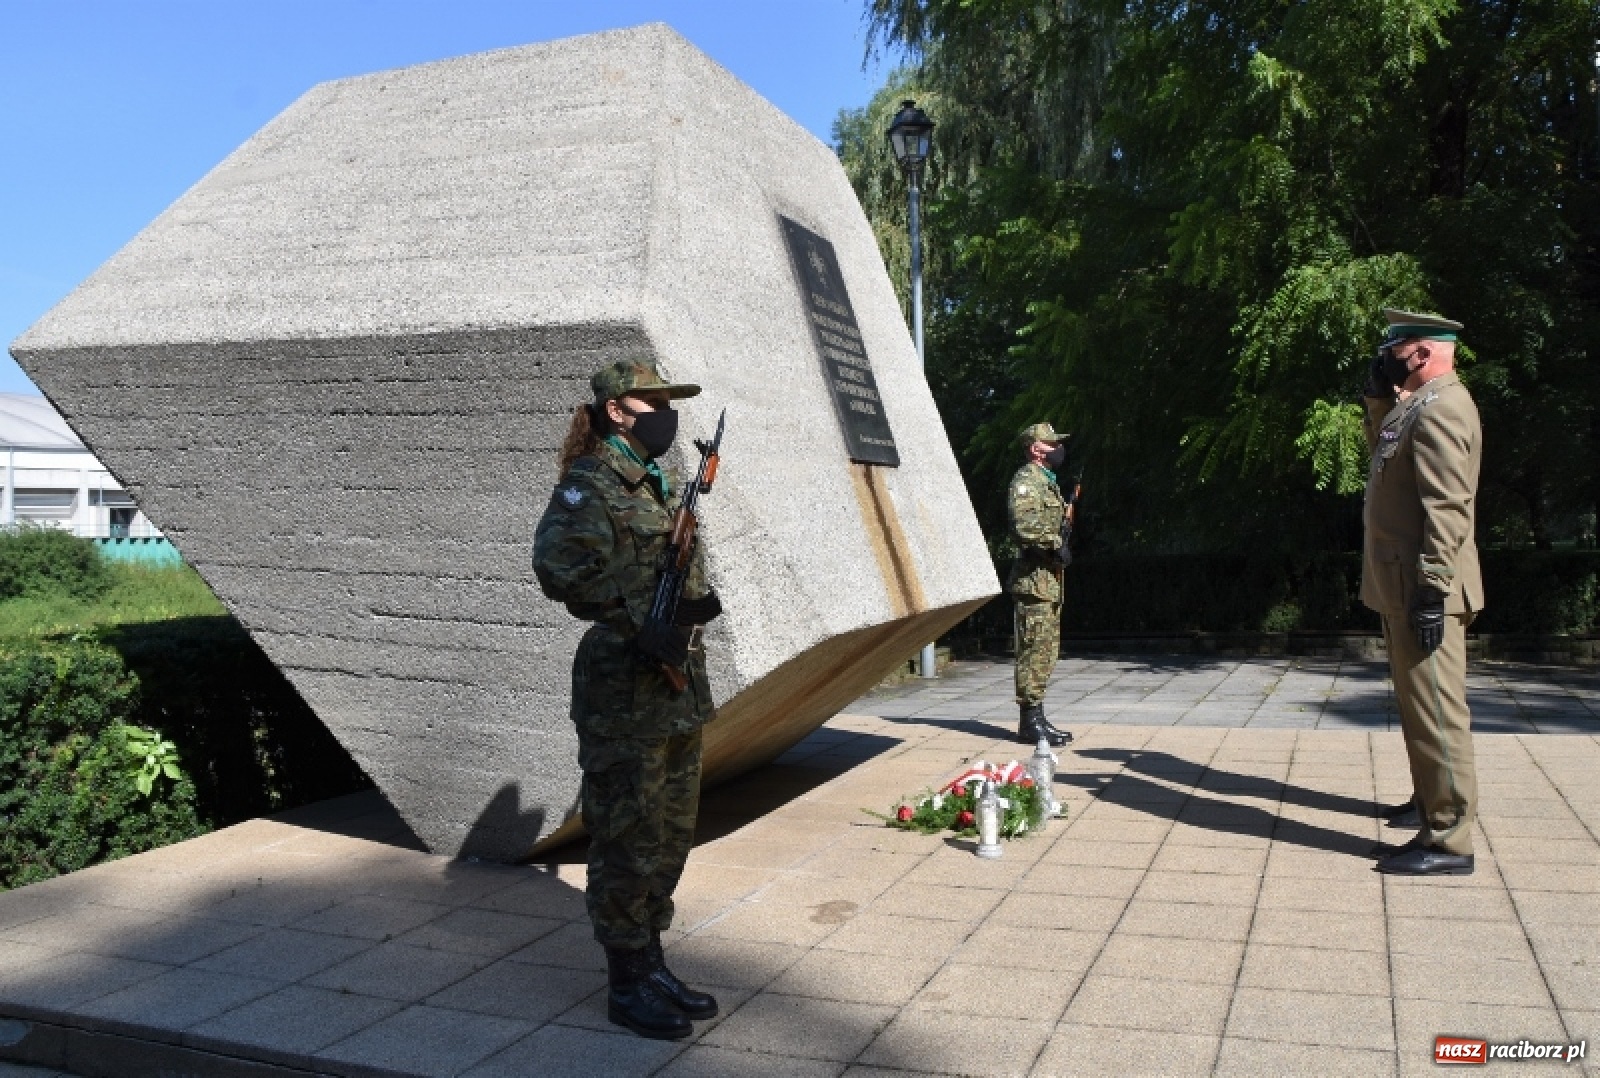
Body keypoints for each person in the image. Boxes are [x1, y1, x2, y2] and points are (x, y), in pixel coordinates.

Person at [532, 358, 724, 1039]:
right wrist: (631, 620)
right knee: (625, 840)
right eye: (655, 402)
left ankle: (651, 961)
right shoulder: (591, 484)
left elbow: (669, 572)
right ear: (618, 409)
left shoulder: (657, 485)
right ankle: (624, 984)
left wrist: (692, 605)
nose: (667, 414)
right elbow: (558, 567)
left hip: (674, 692)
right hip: (623, 690)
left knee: (668, 835)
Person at [1360, 309, 1483, 876]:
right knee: (1418, 706)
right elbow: (1387, 464)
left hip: (1421, 586)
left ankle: (1450, 837)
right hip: (1402, 580)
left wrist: (1433, 587)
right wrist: (1378, 403)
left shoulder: (1442, 410)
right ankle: (1429, 800)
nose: (1387, 358)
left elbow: (1447, 507)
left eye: (1395, 351)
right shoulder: (1414, 408)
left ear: (1421, 354)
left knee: (1436, 709)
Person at [1006, 422, 1073, 747]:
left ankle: (1037, 718)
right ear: (1036, 449)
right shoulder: (1027, 480)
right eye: (1052, 444)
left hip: (1048, 581)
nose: (1059, 449)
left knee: (1045, 652)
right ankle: (1029, 723)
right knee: (1033, 650)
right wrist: (1053, 543)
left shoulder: (1048, 483)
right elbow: (1023, 526)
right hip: (1034, 582)